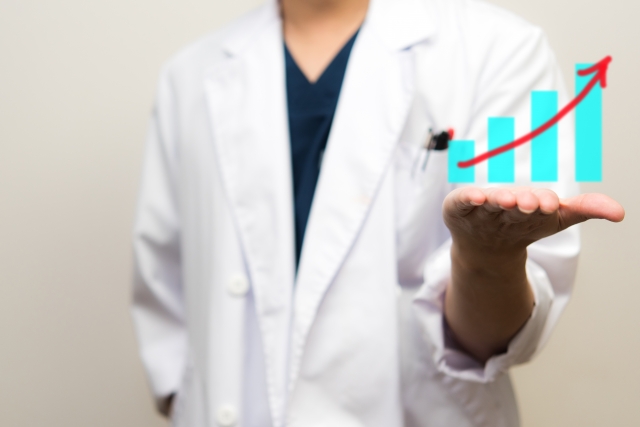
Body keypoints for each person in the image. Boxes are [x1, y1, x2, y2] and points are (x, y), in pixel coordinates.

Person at [130, 0, 624, 425]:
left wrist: (488, 259)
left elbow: (509, 336)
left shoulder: (509, 51)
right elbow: (164, 299)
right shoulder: (188, 77)